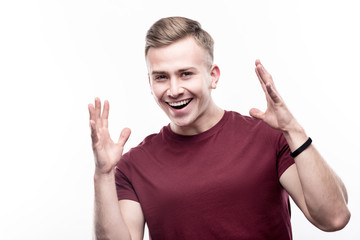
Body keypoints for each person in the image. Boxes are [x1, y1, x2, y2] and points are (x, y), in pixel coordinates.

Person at [88, 16, 350, 240]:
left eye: (186, 73)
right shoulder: (134, 165)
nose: (174, 89)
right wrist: (103, 174)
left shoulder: (267, 137)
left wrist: (293, 130)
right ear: (150, 82)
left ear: (213, 76)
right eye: (161, 77)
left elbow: (334, 218)